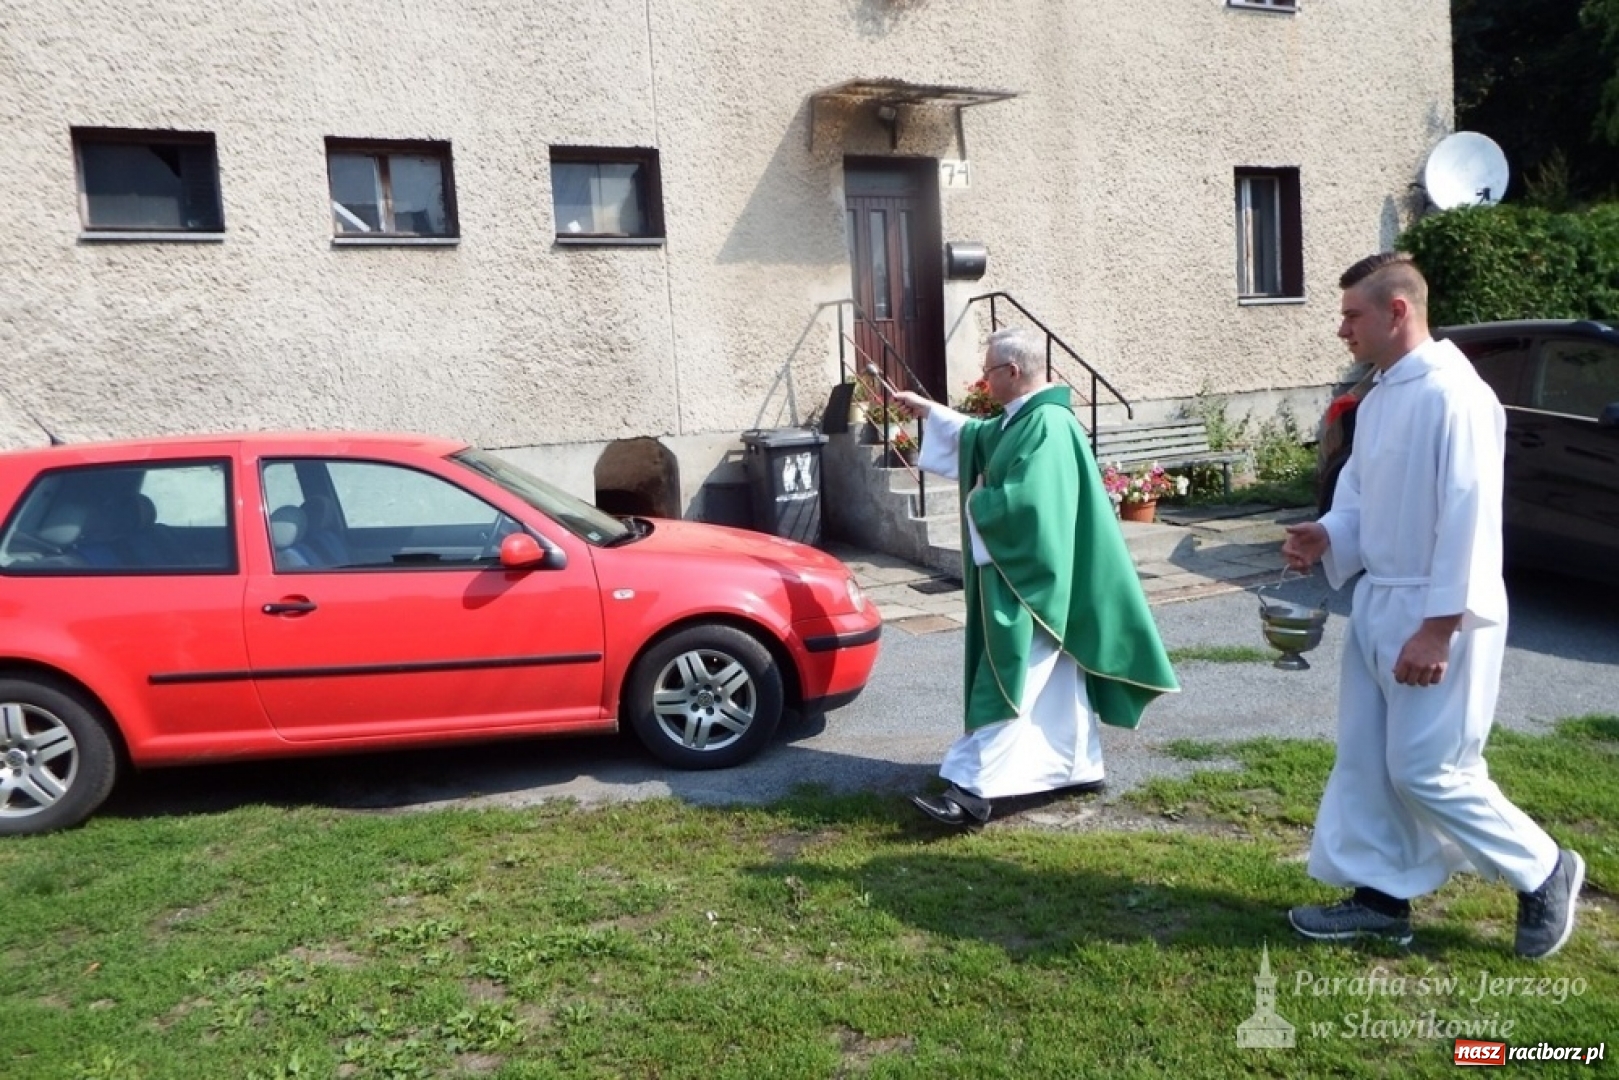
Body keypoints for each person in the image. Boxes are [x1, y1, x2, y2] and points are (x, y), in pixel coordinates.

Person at [1281, 252, 1583, 958]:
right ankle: (1380, 900)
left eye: (1351, 315)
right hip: (1381, 598)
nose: (1341, 330)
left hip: (1436, 608)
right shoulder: (1384, 394)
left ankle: (1543, 868)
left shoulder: (1455, 395)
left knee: (1429, 769)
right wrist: (1328, 533)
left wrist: (1438, 628)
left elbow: (1470, 518)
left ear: (1397, 311)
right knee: (1368, 762)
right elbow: (1361, 497)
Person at [890, 326, 1179, 827]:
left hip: (1033, 582)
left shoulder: (1047, 425)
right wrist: (931, 412)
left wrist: (979, 500)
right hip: (1040, 576)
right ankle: (1076, 767)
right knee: (1058, 680)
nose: (983, 382)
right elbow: (980, 437)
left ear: (1012, 370)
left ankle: (971, 793)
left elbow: (1030, 509)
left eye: (987, 372)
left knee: (1014, 678)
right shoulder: (1025, 418)